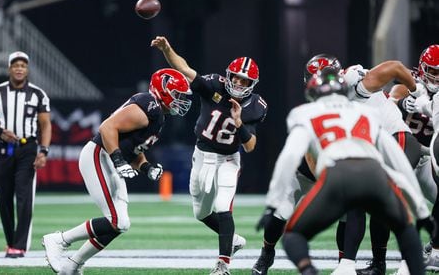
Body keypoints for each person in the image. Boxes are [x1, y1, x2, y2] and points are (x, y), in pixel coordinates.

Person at [252, 54, 424, 275]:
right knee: (284, 212)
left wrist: (416, 90)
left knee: (361, 204)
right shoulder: (316, 111)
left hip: (357, 158)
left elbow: (393, 68)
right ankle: (267, 255)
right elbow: (302, 157)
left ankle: (355, 264)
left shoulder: (355, 90)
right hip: (319, 166)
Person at [41, 68, 193, 274]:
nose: (181, 101)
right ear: (163, 90)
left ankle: (72, 265)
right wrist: (118, 159)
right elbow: (106, 128)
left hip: (110, 160)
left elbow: (133, 150)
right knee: (116, 221)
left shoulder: (158, 116)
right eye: (178, 95)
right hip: (99, 155)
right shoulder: (149, 104)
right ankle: (59, 240)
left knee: (121, 223)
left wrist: (146, 167)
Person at [151, 36, 268, 275]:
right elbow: (183, 68)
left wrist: (239, 123)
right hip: (202, 154)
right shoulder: (214, 85)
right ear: (228, 75)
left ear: (252, 83)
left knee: (224, 206)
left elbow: (251, 146)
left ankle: (223, 265)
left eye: (244, 80)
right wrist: (167, 48)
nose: (237, 82)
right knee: (201, 213)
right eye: (235, 77)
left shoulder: (255, 105)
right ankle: (233, 240)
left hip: (228, 158)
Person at [0, 51, 52, 258]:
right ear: (10, 69)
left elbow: (45, 124)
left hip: (27, 149)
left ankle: (19, 246)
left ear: (27, 69)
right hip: (4, 148)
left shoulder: (38, 94)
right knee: (3, 197)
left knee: (24, 197)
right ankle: (11, 242)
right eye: (16, 65)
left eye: (23, 65)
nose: (19, 68)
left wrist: (44, 150)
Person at [390, 44, 439, 273]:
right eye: (433, 71)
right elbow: (393, 98)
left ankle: (431, 249)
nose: (436, 77)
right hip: (405, 157)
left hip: (428, 160)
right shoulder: (412, 84)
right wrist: (401, 103)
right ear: (422, 68)